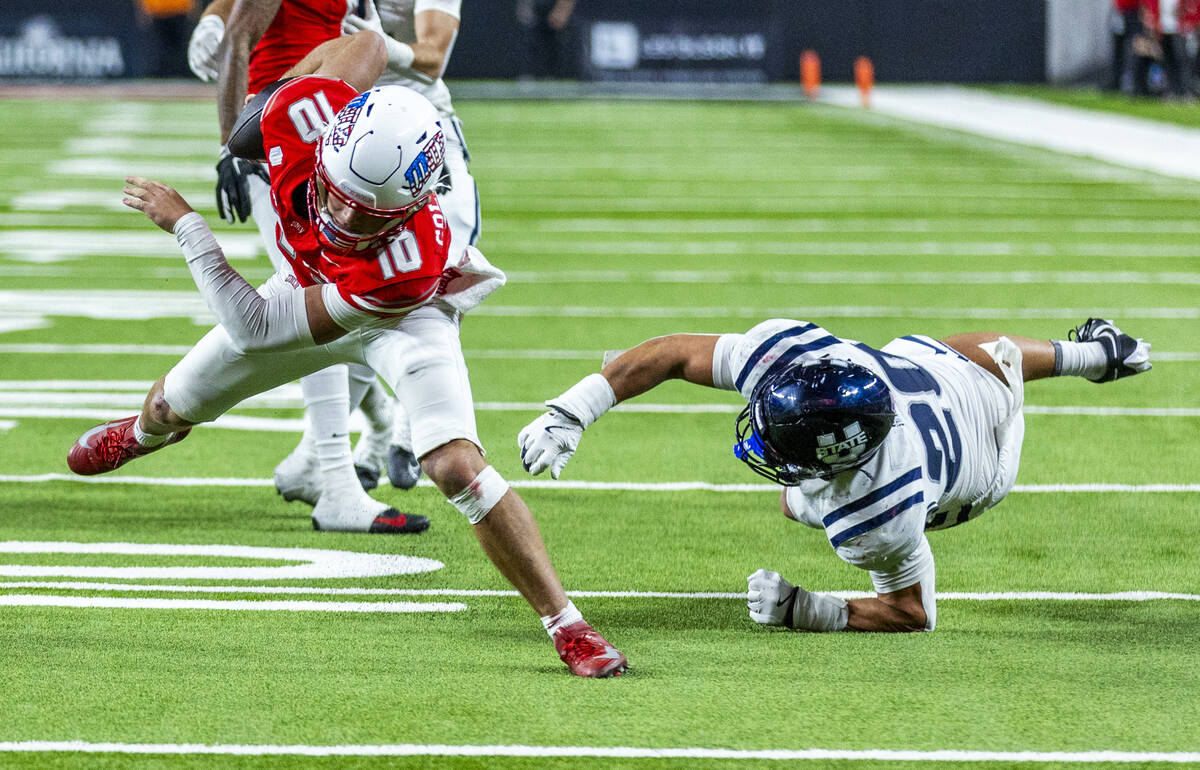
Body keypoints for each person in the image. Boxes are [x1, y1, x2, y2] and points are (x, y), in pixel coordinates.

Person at [66, 34, 627, 678]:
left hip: (401, 314)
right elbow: (359, 45)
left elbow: (252, 327)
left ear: (411, 205)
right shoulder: (302, 116)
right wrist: (279, 94)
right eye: (334, 191)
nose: (336, 211)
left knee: (452, 465)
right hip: (314, 284)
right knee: (170, 405)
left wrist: (189, 227)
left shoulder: (406, 260)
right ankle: (142, 435)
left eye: (361, 212)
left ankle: (567, 624)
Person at [518, 317, 1151, 633]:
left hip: (978, 471)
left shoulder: (872, 515)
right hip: (945, 380)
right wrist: (576, 408)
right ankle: (1097, 354)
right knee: (969, 352)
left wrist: (810, 609)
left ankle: (1094, 357)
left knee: (795, 505)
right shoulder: (802, 357)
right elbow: (675, 352)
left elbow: (912, 610)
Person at [188, 0, 426, 530]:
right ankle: (334, 480)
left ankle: (362, 435)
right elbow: (238, 37)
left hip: (333, 136)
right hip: (285, 140)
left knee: (359, 299)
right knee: (318, 297)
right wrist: (229, 148)